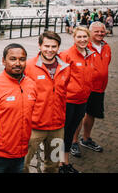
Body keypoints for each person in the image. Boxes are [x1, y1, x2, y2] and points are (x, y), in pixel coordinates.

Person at [0, 43, 36, 173]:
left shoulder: (32, 85)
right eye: (12, 59)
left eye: (22, 59)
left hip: (20, 153)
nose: (18, 63)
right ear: (3, 61)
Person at [23, 31, 71, 173]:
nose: (50, 50)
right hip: (34, 126)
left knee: (54, 164)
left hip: (57, 127)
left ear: (58, 47)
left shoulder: (66, 67)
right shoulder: (28, 66)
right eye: (46, 46)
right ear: (39, 46)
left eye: (54, 46)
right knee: (23, 162)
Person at [58, 26, 95, 173]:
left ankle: (65, 162)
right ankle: (58, 164)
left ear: (88, 38)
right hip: (68, 101)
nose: (82, 40)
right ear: (74, 38)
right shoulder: (66, 55)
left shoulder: (90, 55)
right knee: (62, 132)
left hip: (82, 100)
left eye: (85, 37)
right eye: (79, 37)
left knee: (71, 131)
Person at [75, 22, 111, 154]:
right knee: (78, 115)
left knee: (92, 114)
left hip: (99, 89)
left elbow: (106, 64)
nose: (100, 33)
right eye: (97, 31)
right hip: (84, 88)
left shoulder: (106, 47)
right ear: (90, 33)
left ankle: (86, 138)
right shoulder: (84, 46)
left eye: (102, 31)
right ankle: (73, 142)